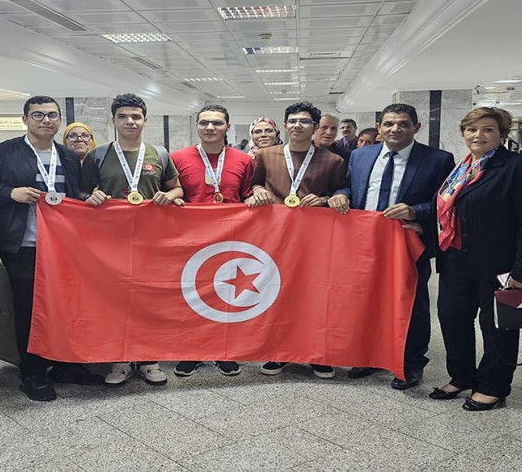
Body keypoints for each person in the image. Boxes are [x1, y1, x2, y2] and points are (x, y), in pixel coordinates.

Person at [0, 96, 104, 402]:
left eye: (52, 115)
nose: (46, 120)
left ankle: (65, 365)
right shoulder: (0, 153)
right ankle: (32, 372)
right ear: (25, 119)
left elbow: (74, 195)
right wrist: (10, 192)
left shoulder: (68, 156)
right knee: (31, 309)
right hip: (23, 243)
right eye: (38, 115)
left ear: (59, 120)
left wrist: (89, 198)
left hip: (63, 245)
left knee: (66, 306)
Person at [433, 108, 522, 410]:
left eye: (488, 129)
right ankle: (461, 376)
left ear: (502, 135)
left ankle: (493, 386)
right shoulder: (463, 167)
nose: (478, 135)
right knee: (452, 318)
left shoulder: (518, 169)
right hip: (456, 259)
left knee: (497, 326)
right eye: (472, 129)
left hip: (500, 264)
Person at [329, 104, 455, 390]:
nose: (395, 129)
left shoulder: (437, 159)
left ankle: (411, 363)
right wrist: (340, 195)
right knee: (366, 300)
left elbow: (445, 203)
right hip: (364, 244)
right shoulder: (360, 156)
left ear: (416, 127)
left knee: (411, 302)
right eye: (388, 124)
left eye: (403, 124)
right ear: (379, 127)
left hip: (406, 242)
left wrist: (415, 211)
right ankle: (369, 356)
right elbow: (348, 186)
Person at [81, 93, 183, 387]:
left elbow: (177, 189)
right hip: (110, 243)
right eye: (123, 116)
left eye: (136, 116)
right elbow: (80, 193)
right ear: (113, 120)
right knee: (116, 301)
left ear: (145, 120)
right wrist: (90, 197)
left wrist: (170, 195)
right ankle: (122, 359)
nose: (130, 121)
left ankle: (149, 358)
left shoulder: (159, 154)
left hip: (151, 242)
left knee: (149, 300)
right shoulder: (98, 155)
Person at [248, 101, 346, 379]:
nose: (297, 126)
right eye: (292, 121)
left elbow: (339, 192)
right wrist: (257, 190)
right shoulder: (266, 155)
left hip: (313, 240)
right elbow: (254, 183)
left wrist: (325, 199)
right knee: (277, 294)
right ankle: (278, 352)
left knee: (313, 296)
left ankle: (317, 354)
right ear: (285, 125)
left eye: (304, 121)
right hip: (275, 237)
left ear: (314, 127)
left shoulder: (333, 160)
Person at [169, 105, 253, 378]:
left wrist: (256, 196)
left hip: (230, 238)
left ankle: (222, 351)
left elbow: (247, 194)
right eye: (204, 122)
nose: (210, 128)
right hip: (190, 239)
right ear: (196, 126)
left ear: (227, 127)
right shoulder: (177, 158)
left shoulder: (244, 160)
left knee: (224, 296)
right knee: (190, 295)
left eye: (217, 123)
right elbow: (170, 191)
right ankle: (191, 351)